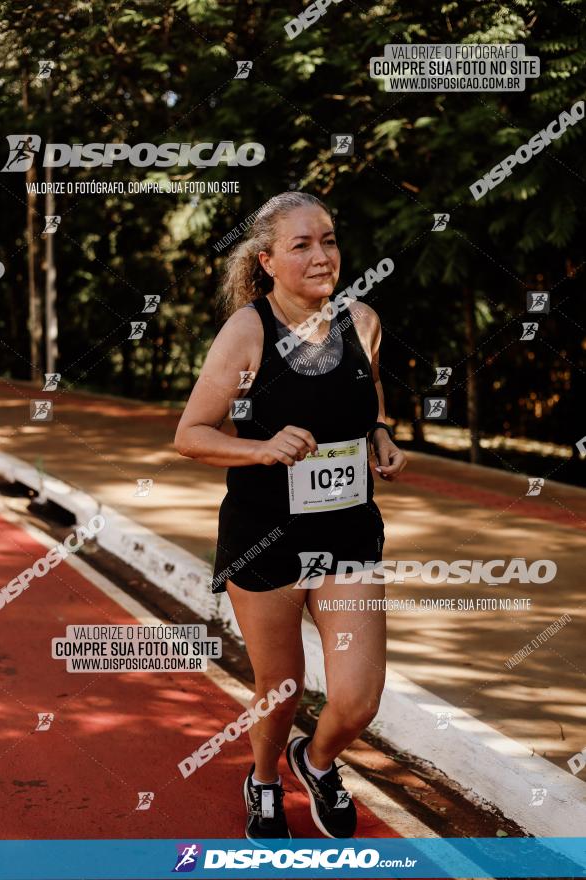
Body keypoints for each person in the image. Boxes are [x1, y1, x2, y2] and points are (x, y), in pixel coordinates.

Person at [175, 191, 407, 840]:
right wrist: (259, 447)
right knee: (280, 692)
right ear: (268, 260)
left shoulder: (361, 320)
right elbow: (191, 433)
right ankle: (266, 780)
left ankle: (317, 759)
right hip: (265, 540)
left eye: (328, 240)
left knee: (358, 700)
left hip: (348, 534)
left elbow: (368, 396)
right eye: (300, 245)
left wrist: (379, 434)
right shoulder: (248, 331)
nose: (320, 255)